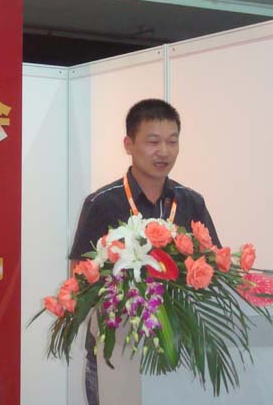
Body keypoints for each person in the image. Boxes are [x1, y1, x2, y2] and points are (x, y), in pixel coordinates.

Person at [69, 98, 221, 405]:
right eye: (153, 142)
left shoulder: (191, 202)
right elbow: (80, 277)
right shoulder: (103, 203)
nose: (164, 151)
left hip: (179, 358)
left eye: (172, 142)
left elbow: (212, 267)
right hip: (114, 358)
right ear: (129, 144)